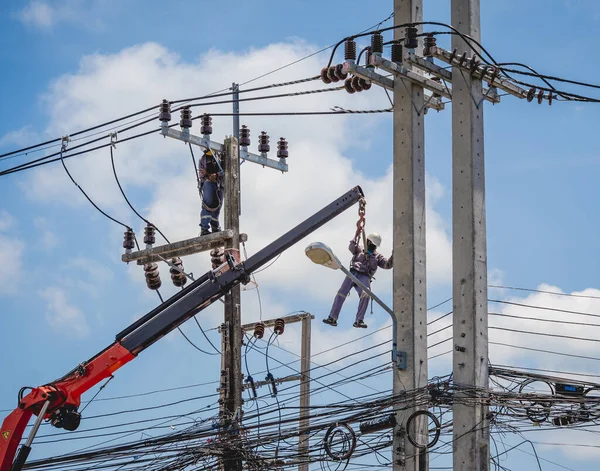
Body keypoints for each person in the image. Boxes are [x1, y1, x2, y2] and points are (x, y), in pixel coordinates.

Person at [323, 233, 393, 328]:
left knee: (366, 294)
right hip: (352, 273)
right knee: (341, 293)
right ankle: (332, 317)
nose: (372, 247)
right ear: (367, 241)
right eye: (371, 244)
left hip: (364, 276)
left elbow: (387, 265)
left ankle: (359, 320)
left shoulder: (377, 257)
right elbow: (351, 246)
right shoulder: (359, 249)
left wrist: (394, 256)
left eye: (374, 246)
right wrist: (357, 232)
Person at [198, 149, 224, 236]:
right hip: (208, 183)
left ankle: (215, 227)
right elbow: (201, 174)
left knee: (217, 207)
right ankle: (204, 228)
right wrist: (205, 174)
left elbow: (227, 170)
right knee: (208, 205)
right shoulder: (203, 159)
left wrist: (217, 175)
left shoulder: (221, 157)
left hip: (219, 184)